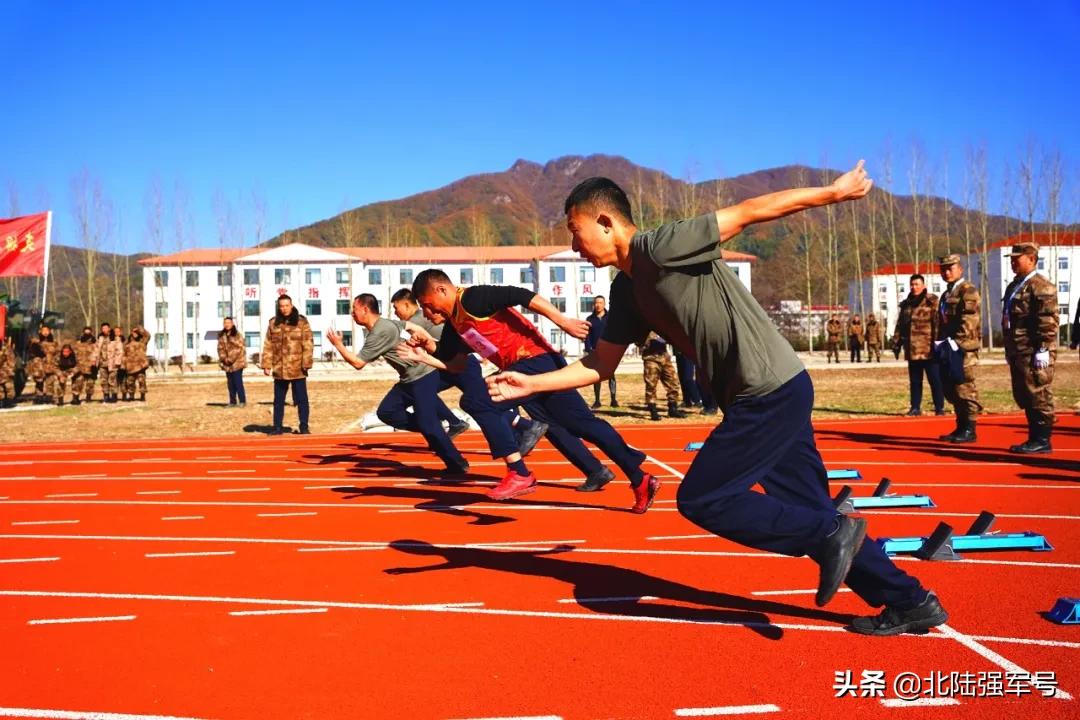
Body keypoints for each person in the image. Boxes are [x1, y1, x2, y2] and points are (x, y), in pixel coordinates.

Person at [488, 162, 946, 635]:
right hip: (766, 393)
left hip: (768, 391)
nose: (575, 246)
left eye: (575, 231)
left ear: (605, 221)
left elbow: (749, 210)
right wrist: (531, 384)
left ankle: (832, 535)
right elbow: (600, 364)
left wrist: (833, 193)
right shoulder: (626, 290)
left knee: (705, 498)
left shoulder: (660, 246)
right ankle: (909, 601)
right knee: (811, 508)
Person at [408, 271, 655, 509]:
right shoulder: (454, 325)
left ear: (441, 290)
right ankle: (640, 477)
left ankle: (519, 472)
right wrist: (426, 352)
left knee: (478, 401)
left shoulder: (472, 298)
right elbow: (456, 364)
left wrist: (564, 322)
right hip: (526, 370)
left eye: (427, 305)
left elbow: (522, 294)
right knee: (580, 424)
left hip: (534, 360)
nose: (427, 313)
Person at [390, 288, 550, 478]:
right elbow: (456, 344)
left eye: (396, 307)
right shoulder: (434, 318)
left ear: (407, 304)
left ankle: (521, 438)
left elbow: (459, 338)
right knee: (471, 402)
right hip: (449, 367)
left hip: (462, 367)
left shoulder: (420, 320)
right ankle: (514, 434)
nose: (395, 311)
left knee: (479, 402)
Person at [328, 293, 470, 473]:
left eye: (354, 310)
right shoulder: (386, 323)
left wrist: (338, 344)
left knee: (428, 424)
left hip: (422, 376)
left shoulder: (380, 331)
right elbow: (410, 325)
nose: (352, 314)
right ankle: (431, 425)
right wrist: (426, 340)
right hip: (408, 379)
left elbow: (358, 363)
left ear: (365, 309)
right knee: (387, 411)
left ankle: (457, 463)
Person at [1002, 242, 1058, 453]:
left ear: (1032, 258)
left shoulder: (1040, 286)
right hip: (1019, 349)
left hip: (1034, 349)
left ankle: (1042, 440)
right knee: (1025, 394)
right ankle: (1034, 437)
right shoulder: (1016, 285)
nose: (1013, 262)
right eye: (1012, 258)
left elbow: (1047, 321)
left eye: (1018, 258)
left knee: (1038, 393)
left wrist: (1043, 348)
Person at [935, 255, 982, 443]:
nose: (946, 272)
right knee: (952, 388)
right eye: (943, 269)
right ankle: (961, 426)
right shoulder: (947, 294)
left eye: (950, 268)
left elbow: (969, 321)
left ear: (960, 269)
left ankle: (970, 428)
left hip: (963, 348)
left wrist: (957, 344)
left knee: (965, 387)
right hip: (949, 347)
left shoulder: (967, 291)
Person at [892, 275, 944, 416]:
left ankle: (939, 407)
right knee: (915, 381)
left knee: (935, 380)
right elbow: (900, 325)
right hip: (912, 349)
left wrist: (939, 344)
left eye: (917, 284)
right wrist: (896, 342)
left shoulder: (932, 301)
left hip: (929, 349)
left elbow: (938, 324)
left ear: (923, 285)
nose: (914, 287)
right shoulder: (906, 304)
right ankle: (915, 407)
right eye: (912, 284)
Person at [261, 294, 313, 435]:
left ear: (291, 305)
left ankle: (304, 426)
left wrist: (306, 362)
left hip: (298, 368)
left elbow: (308, 343)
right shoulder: (273, 323)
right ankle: (277, 427)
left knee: (302, 400)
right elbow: (268, 345)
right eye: (281, 306)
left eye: (286, 305)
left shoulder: (301, 322)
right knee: (278, 400)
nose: (284, 308)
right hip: (280, 368)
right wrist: (266, 364)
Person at [639, 331, 686, 421]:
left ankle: (673, 408)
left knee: (673, 382)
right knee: (651, 386)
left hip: (664, 357)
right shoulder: (644, 327)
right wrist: (647, 341)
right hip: (651, 358)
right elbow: (637, 341)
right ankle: (653, 410)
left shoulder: (661, 326)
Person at [584, 296, 617, 408]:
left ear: (604, 304)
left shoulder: (611, 318)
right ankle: (597, 400)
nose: (598, 305)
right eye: (596, 303)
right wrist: (589, 349)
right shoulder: (590, 319)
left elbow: (615, 333)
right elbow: (587, 336)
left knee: (611, 375)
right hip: (595, 351)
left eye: (600, 303)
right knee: (596, 376)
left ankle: (613, 400)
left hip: (609, 350)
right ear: (594, 304)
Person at [217, 316, 247, 407]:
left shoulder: (237, 335)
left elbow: (239, 348)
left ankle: (242, 401)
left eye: (228, 323)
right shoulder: (222, 336)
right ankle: (232, 402)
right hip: (227, 364)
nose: (227, 324)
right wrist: (224, 359)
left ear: (232, 324)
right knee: (230, 383)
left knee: (238, 382)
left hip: (237, 363)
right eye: (225, 323)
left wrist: (230, 359)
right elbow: (220, 348)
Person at [27, 324, 59, 404]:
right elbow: (30, 353)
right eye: (43, 331)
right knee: (39, 381)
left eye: (47, 331)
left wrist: (56, 363)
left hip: (50, 364)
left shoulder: (54, 342)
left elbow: (57, 353)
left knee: (50, 381)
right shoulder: (35, 342)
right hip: (39, 365)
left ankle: (49, 397)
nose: (45, 332)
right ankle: (39, 396)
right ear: (40, 332)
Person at [71, 326, 98, 405]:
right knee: (78, 382)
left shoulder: (95, 343)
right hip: (80, 366)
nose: (87, 334)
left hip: (91, 366)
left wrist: (95, 363)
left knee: (90, 383)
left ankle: (88, 397)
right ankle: (75, 398)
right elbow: (74, 354)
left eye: (89, 332)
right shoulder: (78, 343)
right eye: (85, 332)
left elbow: (97, 354)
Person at [123, 325, 150, 401]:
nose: (134, 334)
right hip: (130, 366)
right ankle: (131, 396)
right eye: (133, 332)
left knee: (141, 381)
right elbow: (123, 354)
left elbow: (148, 335)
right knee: (130, 382)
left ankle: (142, 395)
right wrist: (124, 364)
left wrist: (139, 329)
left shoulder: (142, 341)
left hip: (141, 365)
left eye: (136, 333)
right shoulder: (127, 343)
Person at [104, 325, 126, 404]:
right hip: (114, 364)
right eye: (115, 331)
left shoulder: (124, 340)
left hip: (121, 364)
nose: (116, 333)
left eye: (118, 331)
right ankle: (114, 396)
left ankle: (124, 395)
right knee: (113, 380)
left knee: (122, 380)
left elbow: (120, 352)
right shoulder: (111, 340)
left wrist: (118, 362)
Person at [94, 323, 114, 402]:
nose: (104, 330)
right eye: (103, 328)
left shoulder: (114, 338)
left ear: (109, 328)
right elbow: (96, 350)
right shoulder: (100, 338)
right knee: (103, 380)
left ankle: (114, 395)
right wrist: (95, 360)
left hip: (112, 363)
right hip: (102, 363)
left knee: (112, 380)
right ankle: (106, 395)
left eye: (106, 328)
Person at [0, 337, 16, 408]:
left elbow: (11, 359)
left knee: (9, 388)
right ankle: (1, 402)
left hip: (5, 371)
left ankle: (9, 402)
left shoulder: (6, 348)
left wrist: (10, 370)